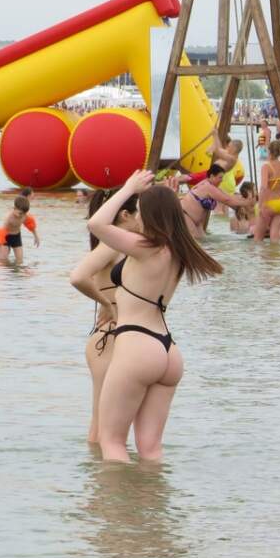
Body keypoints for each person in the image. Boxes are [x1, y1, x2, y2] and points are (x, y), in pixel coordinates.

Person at [87, 171, 222, 462]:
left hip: (136, 345)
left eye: (138, 212)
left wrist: (127, 188)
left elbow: (96, 223)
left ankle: (116, 508)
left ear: (149, 215)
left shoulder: (146, 249)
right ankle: (153, 505)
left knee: (112, 444)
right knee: (151, 449)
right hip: (167, 351)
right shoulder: (177, 250)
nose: (136, 218)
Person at [69, 188, 139, 445]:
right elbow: (77, 277)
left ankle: (105, 482)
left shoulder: (121, 246)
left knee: (107, 426)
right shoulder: (110, 245)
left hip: (114, 339)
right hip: (107, 339)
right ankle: (101, 482)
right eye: (138, 213)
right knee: (101, 429)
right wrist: (106, 304)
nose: (141, 219)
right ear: (124, 215)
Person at [180, 164, 253, 239]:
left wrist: (243, 204)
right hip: (185, 216)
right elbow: (226, 200)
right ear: (212, 176)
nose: (222, 180)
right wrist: (246, 202)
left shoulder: (212, 187)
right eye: (220, 177)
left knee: (204, 241)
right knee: (197, 240)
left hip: (196, 221)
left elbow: (228, 197)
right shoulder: (207, 187)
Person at [254, 128, 280, 243]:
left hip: (269, 204)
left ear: (269, 151)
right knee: (275, 235)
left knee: (258, 238)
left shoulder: (266, 167)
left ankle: (260, 261)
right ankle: (276, 259)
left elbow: (263, 188)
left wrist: (261, 206)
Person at [0, 195, 39, 265]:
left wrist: (36, 236)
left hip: (16, 237)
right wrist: (0, 247)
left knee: (20, 260)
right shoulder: (9, 218)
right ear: (14, 208)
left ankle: (17, 273)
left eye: (24, 213)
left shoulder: (24, 216)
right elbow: (1, 234)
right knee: (2, 260)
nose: (22, 215)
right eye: (20, 213)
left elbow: (31, 225)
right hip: (6, 237)